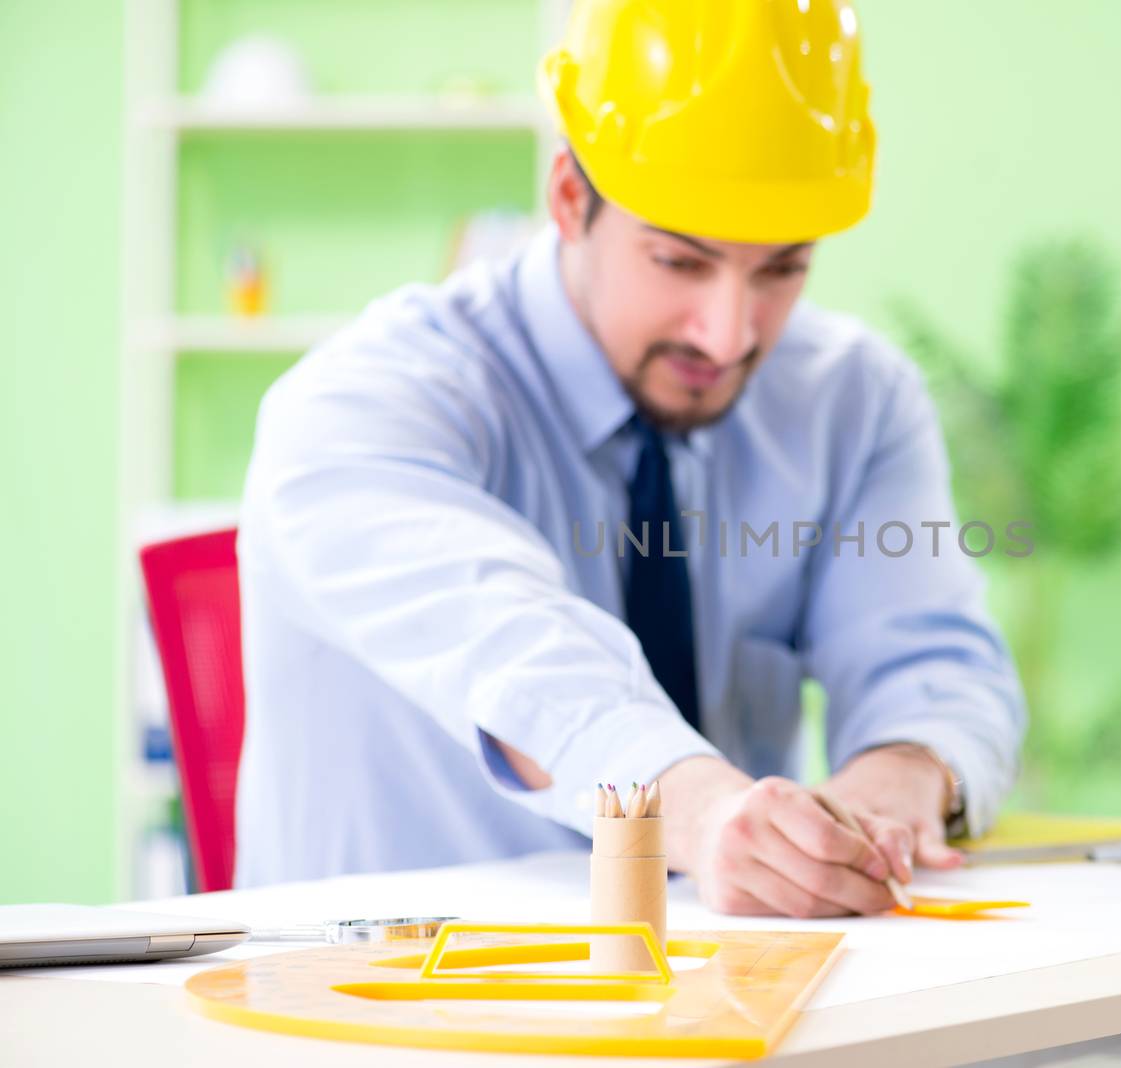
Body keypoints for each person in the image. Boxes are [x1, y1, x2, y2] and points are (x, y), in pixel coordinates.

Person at [234, 0, 1025, 918]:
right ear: (570, 198)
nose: (729, 336)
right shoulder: (360, 404)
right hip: (381, 1012)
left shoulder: (854, 399)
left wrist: (900, 778)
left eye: (782, 269)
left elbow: (930, 655)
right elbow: (518, 658)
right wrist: (698, 808)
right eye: (680, 263)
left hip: (727, 1007)